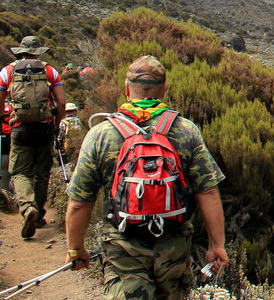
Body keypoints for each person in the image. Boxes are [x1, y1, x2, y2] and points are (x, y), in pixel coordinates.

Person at [65, 55, 228, 299]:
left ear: (126, 89)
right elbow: (208, 191)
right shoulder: (186, 130)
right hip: (173, 247)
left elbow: (80, 202)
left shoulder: (101, 134)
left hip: (122, 247)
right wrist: (217, 246)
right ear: (165, 89)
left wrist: (76, 249)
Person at [0, 35, 66, 238]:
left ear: (21, 50)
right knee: (42, 173)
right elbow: (62, 102)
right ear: (39, 51)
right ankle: (38, 213)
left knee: (20, 172)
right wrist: (55, 125)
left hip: (20, 128)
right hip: (44, 127)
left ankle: (28, 208)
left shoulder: (7, 71)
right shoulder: (50, 71)